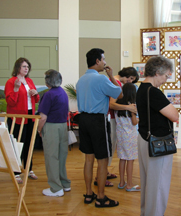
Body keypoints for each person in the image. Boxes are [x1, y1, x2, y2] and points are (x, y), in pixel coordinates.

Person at [76, 48, 120, 207]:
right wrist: (110, 76)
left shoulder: (80, 80)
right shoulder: (101, 79)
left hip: (83, 119)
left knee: (88, 159)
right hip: (98, 121)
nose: (105, 62)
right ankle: (101, 197)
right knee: (102, 160)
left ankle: (89, 194)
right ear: (97, 61)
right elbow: (119, 94)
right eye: (104, 59)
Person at [136, 56, 179, 216]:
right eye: (166, 76)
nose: (166, 80)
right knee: (158, 185)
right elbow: (174, 115)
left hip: (145, 138)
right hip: (156, 143)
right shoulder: (153, 92)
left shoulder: (142, 89)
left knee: (149, 183)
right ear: (157, 72)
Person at [96, 67, 138, 187]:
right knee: (108, 148)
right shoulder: (117, 83)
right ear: (128, 76)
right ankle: (101, 175)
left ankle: (107, 174)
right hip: (112, 120)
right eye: (131, 79)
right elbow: (112, 104)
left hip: (115, 121)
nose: (130, 82)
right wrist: (129, 108)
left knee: (116, 152)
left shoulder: (115, 82)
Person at [4, 57, 40, 184]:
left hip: (30, 115)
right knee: (18, 144)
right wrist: (15, 89)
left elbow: (36, 99)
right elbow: (10, 102)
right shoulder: (11, 82)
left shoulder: (29, 80)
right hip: (17, 117)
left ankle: (29, 169)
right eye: (24, 66)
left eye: (28, 67)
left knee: (29, 143)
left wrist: (35, 93)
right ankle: (16, 172)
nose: (26, 69)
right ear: (18, 68)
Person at [37, 69, 71, 197]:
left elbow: (43, 117)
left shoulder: (49, 95)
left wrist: (39, 130)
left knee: (51, 157)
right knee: (61, 156)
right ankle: (65, 184)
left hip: (51, 127)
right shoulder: (63, 92)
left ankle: (56, 188)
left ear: (47, 81)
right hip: (63, 126)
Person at [115, 83, 140, 192]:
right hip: (130, 136)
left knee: (122, 159)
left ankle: (121, 182)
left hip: (120, 136)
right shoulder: (131, 106)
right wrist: (139, 119)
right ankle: (129, 184)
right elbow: (134, 122)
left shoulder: (118, 105)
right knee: (130, 160)